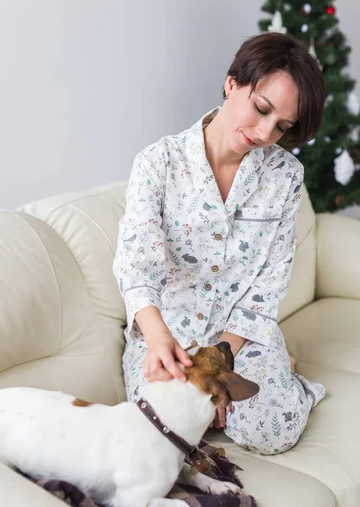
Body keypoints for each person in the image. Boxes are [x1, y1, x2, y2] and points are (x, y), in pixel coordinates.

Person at [113, 32, 326, 455]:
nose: (266, 132)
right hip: (168, 334)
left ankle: (287, 375)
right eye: (261, 109)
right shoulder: (159, 163)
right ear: (232, 84)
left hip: (239, 337)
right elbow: (136, 267)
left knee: (272, 433)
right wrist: (159, 340)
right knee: (158, 435)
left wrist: (223, 360)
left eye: (282, 126)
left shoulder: (285, 177)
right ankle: (272, 373)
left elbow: (269, 282)